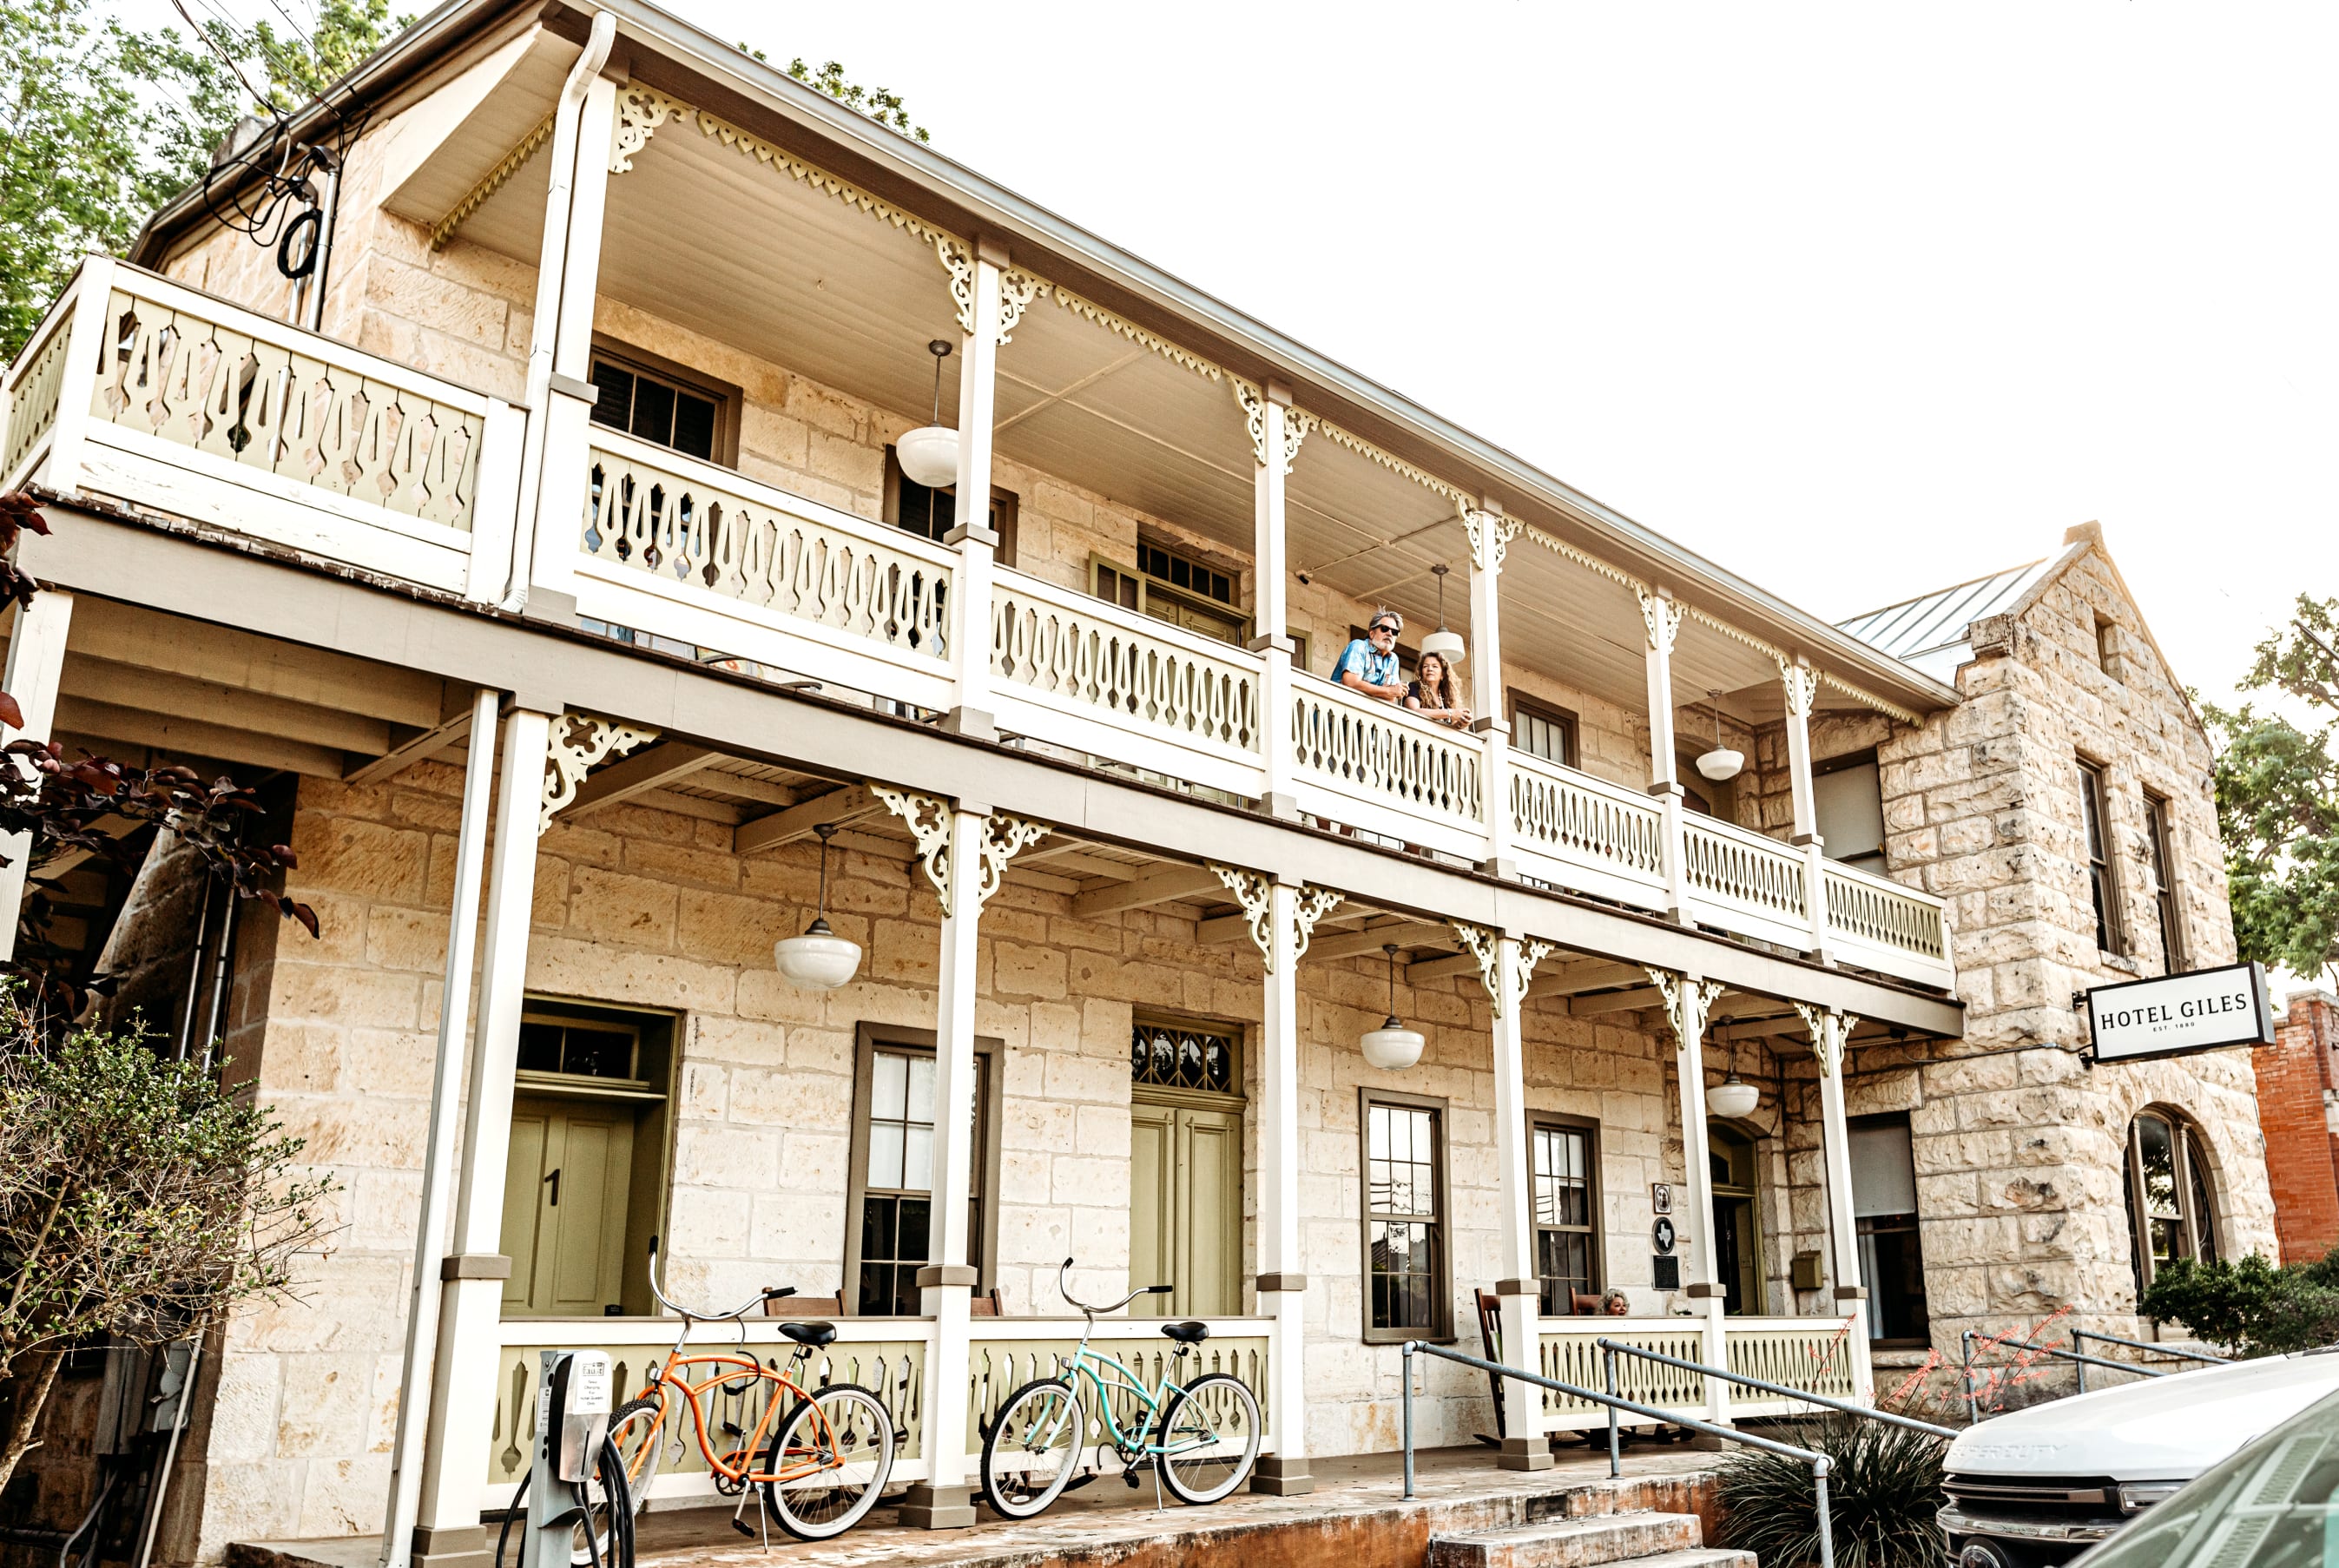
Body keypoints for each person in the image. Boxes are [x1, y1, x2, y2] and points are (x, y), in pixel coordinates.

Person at [1331, 610, 1407, 704]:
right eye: (1384, 628)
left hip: (1366, 716)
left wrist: (1392, 692)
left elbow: (1391, 698)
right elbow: (1351, 682)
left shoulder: (1393, 659)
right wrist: (1388, 691)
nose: (1389, 634)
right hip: (1339, 711)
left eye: (1394, 632)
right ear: (1372, 634)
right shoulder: (1359, 646)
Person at [1406, 650, 1473, 729]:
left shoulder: (1446, 698)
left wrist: (1463, 722)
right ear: (1421, 672)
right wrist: (1450, 713)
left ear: (1443, 674)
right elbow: (1414, 711)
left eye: (1435, 666)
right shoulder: (1414, 687)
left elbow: (1452, 726)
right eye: (1425, 666)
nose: (1430, 669)